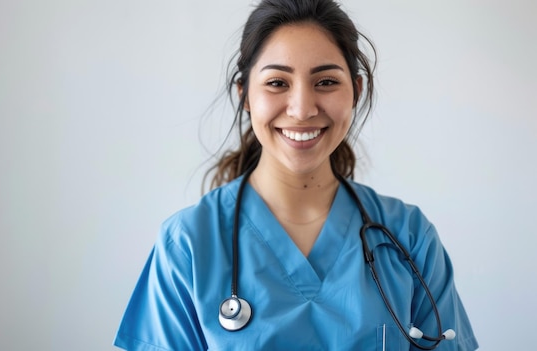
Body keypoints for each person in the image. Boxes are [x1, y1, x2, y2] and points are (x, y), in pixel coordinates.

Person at [114, 0, 479, 349]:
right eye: (277, 83)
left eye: (326, 82)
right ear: (244, 95)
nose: (302, 109)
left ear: (356, 91)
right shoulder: (189, 246)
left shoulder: (410, 239)